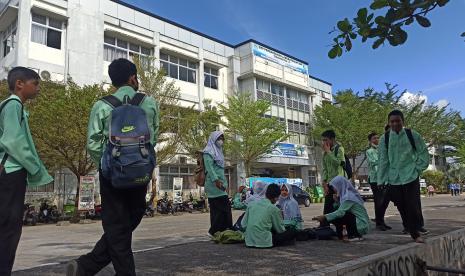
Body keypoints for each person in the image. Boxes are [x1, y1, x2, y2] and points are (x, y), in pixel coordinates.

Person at [67, 58, 160, 276]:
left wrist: (109, 162)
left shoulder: (101, 105)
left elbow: (92, 142)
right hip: (139, 171)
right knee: (131, 218)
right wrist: (137, 158)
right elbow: (152, 137)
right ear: (133, 78)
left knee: (116, 225)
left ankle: (86, 266)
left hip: (112, 176)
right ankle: (92, 267)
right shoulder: (149, 102)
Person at [0, 67, 53, 276]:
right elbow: (13, 141)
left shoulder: (11, 106)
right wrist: (34, 166)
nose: (38, 88)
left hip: (8, 171)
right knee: (9, 229)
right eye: (36, 83)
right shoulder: (13, 105)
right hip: (11, 171)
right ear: (20, 84)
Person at [378, 110, 430, 243]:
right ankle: (410, 228)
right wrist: (381, 179)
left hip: (410, 176)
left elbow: (423, 153)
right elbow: (383, 160)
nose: (395, 123)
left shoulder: (412, 135)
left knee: (412, 205)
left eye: (398, 121)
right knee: (401, 206)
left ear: (403, 121)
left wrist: (417, 169)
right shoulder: (385, 138)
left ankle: (415, 233)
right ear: (389, 123)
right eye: (392, 121)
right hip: (394, 178)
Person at [313, 176, 370, 242]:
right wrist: (337, 201)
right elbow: (340, 208)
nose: (334, 189)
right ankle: (341, 234)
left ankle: (355, 235)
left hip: (362, 225)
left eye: (334, 187)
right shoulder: (345, 195)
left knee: (343, 215)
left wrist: (324, 217)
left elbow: (340, 212)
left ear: (339, 185)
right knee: (335, 215)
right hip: (358, 223)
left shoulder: (348, 197)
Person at [241, 184, 296, 248]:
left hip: (249, 241)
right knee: (292, 232)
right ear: (276, 197)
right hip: (265, 241)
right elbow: (280, 230)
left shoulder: (251, 205)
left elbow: (243, 224)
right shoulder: (274, 209)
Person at [203, 131, 233, 236]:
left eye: (222, 138)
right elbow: (210, 168)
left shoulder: (219, 151)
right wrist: (216, 181)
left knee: (217, 210)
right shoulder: (208, 152)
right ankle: (218, 230)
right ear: (213, 139)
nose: (221, 141)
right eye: (219, 138)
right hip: (214, 184)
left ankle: (218, 232)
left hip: (220, 184)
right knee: (224, 207)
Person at [320, 130, 346, 226]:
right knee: (327, 206)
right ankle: (324, 226)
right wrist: (324, 183)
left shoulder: (339, 149)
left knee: (339, 206)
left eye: (326, 140)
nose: (324, 143)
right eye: (322, 140)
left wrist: (329, 152)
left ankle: (342, 226)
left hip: (339, 184)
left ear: (332, 139)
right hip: (329, 183)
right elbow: (325, 169)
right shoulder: (325, 154)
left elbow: (338, 163)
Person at [366, 132, 391, 231]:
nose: (376, 140)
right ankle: (379, 223)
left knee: (385, 200)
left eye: (377, 138)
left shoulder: (382, 150)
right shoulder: (369, 151)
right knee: (378, 201)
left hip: (385, 178)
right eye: (374, 138)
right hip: (375, 179)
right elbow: (374, 162)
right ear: (370, 141)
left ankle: (381, 220)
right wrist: (383, 160)